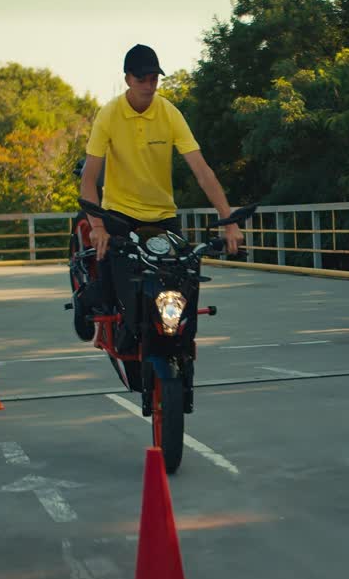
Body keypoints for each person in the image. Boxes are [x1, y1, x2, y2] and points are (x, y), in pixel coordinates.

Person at [77, 43, 244, 352]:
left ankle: (181, 340)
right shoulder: (109, 115)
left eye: (154, 78)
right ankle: (93, 307)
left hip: (162, 216)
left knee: (185, 275)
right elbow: (88, 179)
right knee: (113, 284)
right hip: (120, 214)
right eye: (142, 79)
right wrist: (98, 227)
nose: (149, 85)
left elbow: (202, 172)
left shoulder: (168, 112)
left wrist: (229, 220)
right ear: (128, 79)